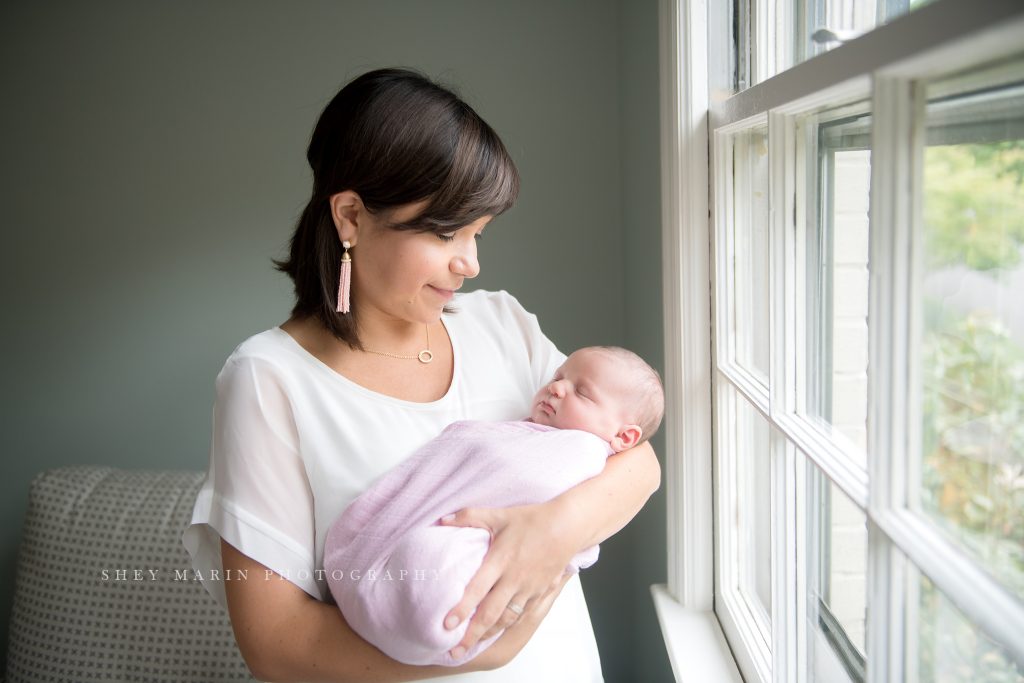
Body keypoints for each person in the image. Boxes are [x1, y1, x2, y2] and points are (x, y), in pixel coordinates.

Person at [182, 67, 661, 683]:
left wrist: (554, 530)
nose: (470, 262)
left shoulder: (501, 325)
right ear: (351, 216)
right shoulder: (269, 380)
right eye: (445, 232)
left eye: (479, 232)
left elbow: (638, 459)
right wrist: (490, 650)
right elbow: (276, 645)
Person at [325, 346, 665, 667]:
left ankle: (421, 603)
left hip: (460, 586)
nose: (558, 388)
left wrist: (560, 527)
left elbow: (537, 484)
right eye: (557, 377)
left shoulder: (585, 453)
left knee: (429, 558)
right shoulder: (526, 430)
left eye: (583, 393)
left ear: (624, 438)